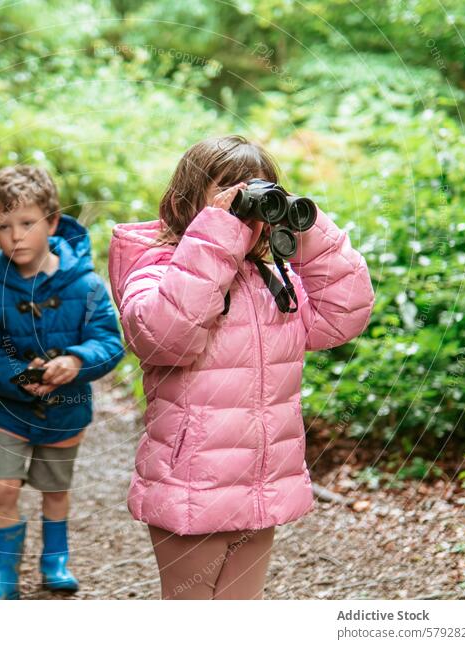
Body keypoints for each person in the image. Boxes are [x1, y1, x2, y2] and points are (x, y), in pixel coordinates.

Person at [107, 135, 375, 599]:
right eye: (230, 192)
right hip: (193, 481)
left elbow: (344, 314)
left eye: (259, 193)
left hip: (260, 481)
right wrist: (218, 234)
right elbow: (165, 336)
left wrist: (306, 229)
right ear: (185, 201)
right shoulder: (157, 268)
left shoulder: (271, 281)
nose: (247, 208)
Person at [0, 164, 125, 599]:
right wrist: (16, 376)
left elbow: (109, 342)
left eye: (27, 223)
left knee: (55, 488)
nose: (15, 236)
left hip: (66, 407)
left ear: (52, 222)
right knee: (1, 486)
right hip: (7, 409)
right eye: (3, 226)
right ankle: (4, 577)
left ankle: (55, 560)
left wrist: (76, 360)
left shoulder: (87, 286)